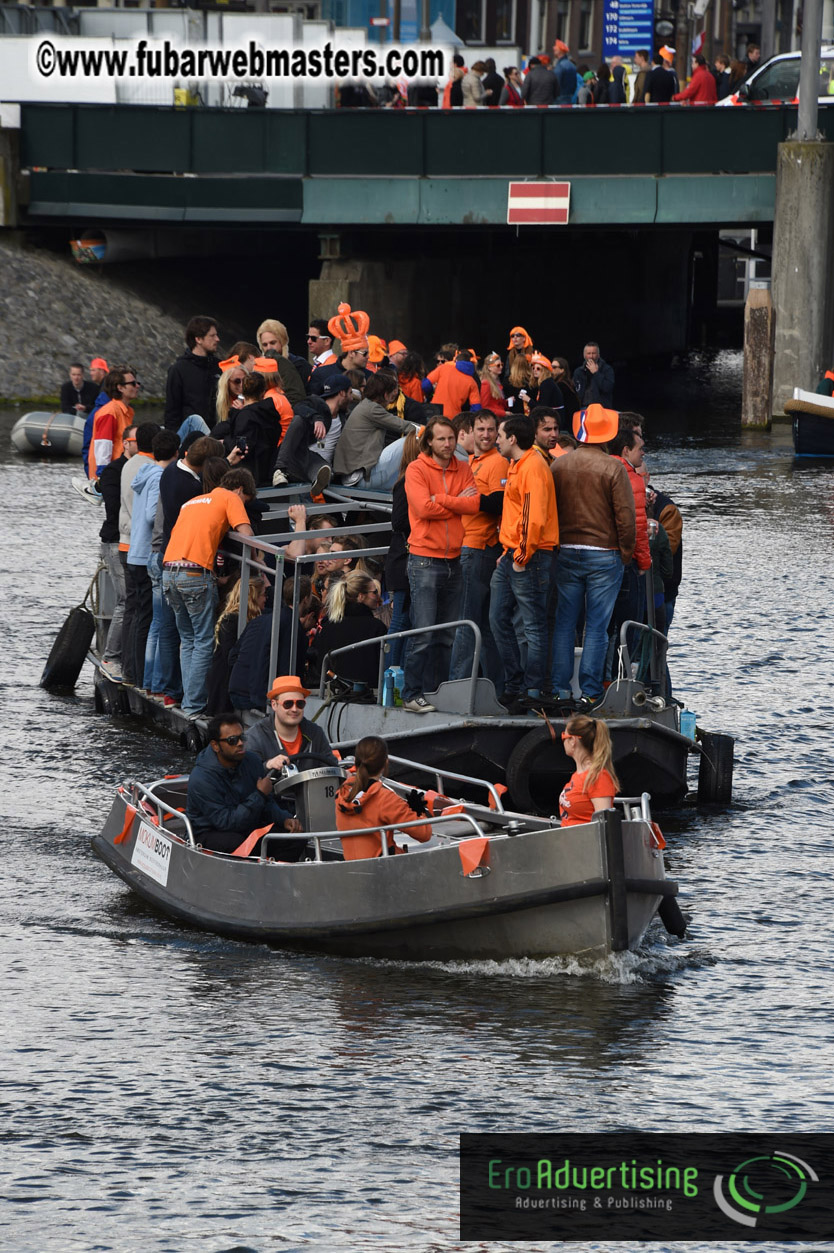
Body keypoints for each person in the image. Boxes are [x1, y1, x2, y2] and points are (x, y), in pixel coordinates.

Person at [550, 404, 636, 709]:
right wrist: (626, 553)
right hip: (604, 554)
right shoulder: (613, 468)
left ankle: (560, 690)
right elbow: (626, 517)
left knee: (564, 623)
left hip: (567, 550)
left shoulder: (559, 465)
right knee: (597, 627)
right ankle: (589, 691)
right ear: (608, 435)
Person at [162, 467, 257, 718]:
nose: (243, 504)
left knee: (188, 640)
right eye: (246, 500)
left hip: (169, 571)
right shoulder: (231, 498)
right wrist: (261, 567)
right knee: (204, 641)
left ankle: (186, 702)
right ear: (239, 490)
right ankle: (194, 706)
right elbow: (248, 535)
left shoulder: (192, 502)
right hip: (194, 575)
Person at [402, 418, 479, 713]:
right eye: (441, 439)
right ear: (429, 442)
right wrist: (455, 501)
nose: (448, 444)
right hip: (424, 559)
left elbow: (474, 505)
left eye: (451, 439)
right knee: (423, 632)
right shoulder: (416, 469)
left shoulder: (464, 467)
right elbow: (422, 508)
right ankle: (412, 693)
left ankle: (435, 693)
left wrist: (442, 501)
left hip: (454, 559)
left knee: (447, 635)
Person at [489, 415, 559, 711]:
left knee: (532, 625)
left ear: (512, 439)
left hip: (529, 556)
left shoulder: (532, 466)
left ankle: (531, 689)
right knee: (498, 618)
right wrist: (509, 553)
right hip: (512, 554)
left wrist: (521, 555)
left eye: (501, 435)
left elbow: (534, 516)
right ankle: (516, 683)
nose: (496, 439)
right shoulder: (518, 465)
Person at [449, 411, 508, 690]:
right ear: (470, 431)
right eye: (480, 429)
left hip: (477, 547)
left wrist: (458, 502)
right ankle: (498, 684)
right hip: (468, 546)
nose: (486, 435)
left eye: (490, 430)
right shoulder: (472, 461)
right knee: (482, 624)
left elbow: (499, 502)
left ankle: (457, 687)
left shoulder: (497, 463)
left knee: (466, 622)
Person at [185, 713, 301, 856]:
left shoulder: (252, 761)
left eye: (242, 738)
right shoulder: (201, 779)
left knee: (295, 837)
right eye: (232, 740)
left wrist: (284, 819)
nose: (240, 743)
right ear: (215, 746)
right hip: (210, 831)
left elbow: (267, 803)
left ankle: (280, 874)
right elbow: (226, 822)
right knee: (240, 843)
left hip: (247, 822)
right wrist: (259, 795)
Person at [126, 427, 180, 693]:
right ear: (176, 452)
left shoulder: (144, 471)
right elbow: (151, 515)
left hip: (136, 551)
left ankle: (141, 677)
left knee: (144, 619)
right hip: (148, 551)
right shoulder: (159, 475)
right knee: (153, 621)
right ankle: (145, 678)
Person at [335, 735, 432, 860]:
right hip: (385, 869)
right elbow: (424, 834)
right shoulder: (385, 798)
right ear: (385, 762)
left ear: (356, 762)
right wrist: (418, 810)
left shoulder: (341, 794)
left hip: (352, 867)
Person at [333, 370, 419, 489]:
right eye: (392, 393)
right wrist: (431, 431)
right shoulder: (372, 409)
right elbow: (404, 426)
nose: (394, 396)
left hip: (353, 477)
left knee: (405, 478)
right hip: (362, 477)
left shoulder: (365, 405)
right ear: (385, 395)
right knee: (412, 438)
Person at [97, 425, 136, 683]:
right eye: (136, 440)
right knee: (124, 599)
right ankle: (111, 657)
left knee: (132, 598)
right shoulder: (114, 471)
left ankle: (125, 654)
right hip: (115, 540)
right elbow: (114, 509)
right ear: (125, 443)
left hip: (132, 542)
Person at [271, 374, 348, 491]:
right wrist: (316, 418)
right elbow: (298, 407)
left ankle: (319, 480)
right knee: (299, 419)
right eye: (350, 393)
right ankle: (280, 470)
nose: (352, 397)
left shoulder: (343, 418)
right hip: (298, 459)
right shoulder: (316, 404)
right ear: (342, 393)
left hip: (318, 466)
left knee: (324, 469)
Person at [244, 675, 338, 771]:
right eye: (288, 704)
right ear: (274, 705)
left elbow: (332, 768)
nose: (294, 709)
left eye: (300, 704)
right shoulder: (255, 736)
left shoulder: (315, 733)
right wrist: (268, 765)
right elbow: (245, 776)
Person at [205, 575, 268, 716]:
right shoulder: (231, 620)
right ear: (253, 596)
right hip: (224, 685)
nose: (266, 599)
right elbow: (230, 656)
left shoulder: (245, 618)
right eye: (264, 595)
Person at [314, 572, 387, 689]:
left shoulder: (328, 627)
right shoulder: (376, 627)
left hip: (333, 693)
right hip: (367, 695)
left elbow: (320, 667)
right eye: (374, 592)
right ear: (360, 596)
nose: (378, 596)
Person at [163, 315, 221, 434]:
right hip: (190, 435)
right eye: (212, 336)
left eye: (217, 335)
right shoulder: (178, 369)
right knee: (195, 420)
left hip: (217, 432)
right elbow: (171, 412)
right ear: (198, 339)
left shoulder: (219, 367)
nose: (217, 339)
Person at [559, 716, 619, 827]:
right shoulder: (578, 775)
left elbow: (605, 825)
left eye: (564, 736)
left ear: (573, 740)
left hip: (585, 841)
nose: (562, 740)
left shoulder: (598, 777)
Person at [84, 366, 140, 481]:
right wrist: (103, 477)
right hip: (110, 475)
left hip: (118, 471)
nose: (137, 386)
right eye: (133, 383)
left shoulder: (126, 411)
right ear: (120, 388)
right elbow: (103, 446)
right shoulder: (110, 412)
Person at [255, 319, 306, 405]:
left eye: (273, 343)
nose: (269, 348)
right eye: (265, 345)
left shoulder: (299, 364)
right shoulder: (259, 367)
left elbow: (298, 397)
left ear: (282, 341)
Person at [425, 352, 482, 420]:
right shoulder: (472, 382)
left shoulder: (443, 368)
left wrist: (431, 394)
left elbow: (425, 385)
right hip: (454, 417)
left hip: (435, 412)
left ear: (456, 361)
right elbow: (476, 407)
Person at [572, 342, 615, 408]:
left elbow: (607, 388)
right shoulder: (579, 371)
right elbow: (576, 391)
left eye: (593, 353)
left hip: (602, 408)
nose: (591, 356)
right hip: (583, 408)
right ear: (584, 355)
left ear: (598, 355)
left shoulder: (607, 369)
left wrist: (596, 373)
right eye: (589, 353)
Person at [480, 352, 507, 418]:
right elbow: (484, 407)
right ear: (489, 367)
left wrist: (506, 402)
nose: (501, 367)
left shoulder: (496, 381)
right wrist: (504, 413)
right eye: (498, 365)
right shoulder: (486, 383)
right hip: (493, 418)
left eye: (502, 364)